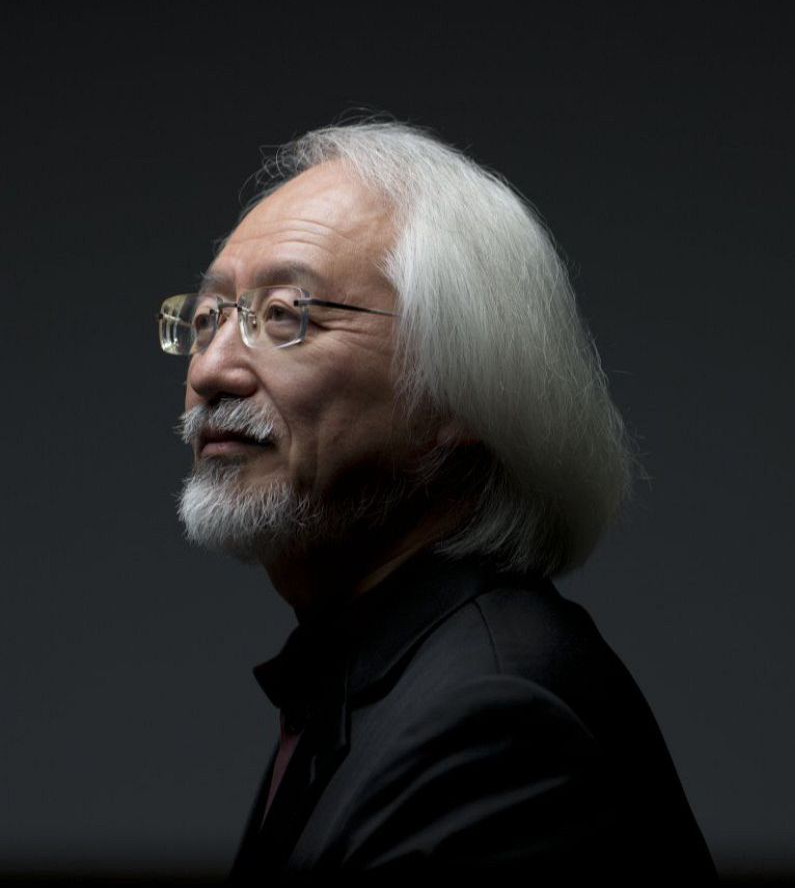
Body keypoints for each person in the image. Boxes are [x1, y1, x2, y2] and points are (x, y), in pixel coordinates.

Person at [156, 120, 718, 880]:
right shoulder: (380, 676)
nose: (212, 369)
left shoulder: (494, 724)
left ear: (457, 390)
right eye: (206, 318)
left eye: (286, 315)